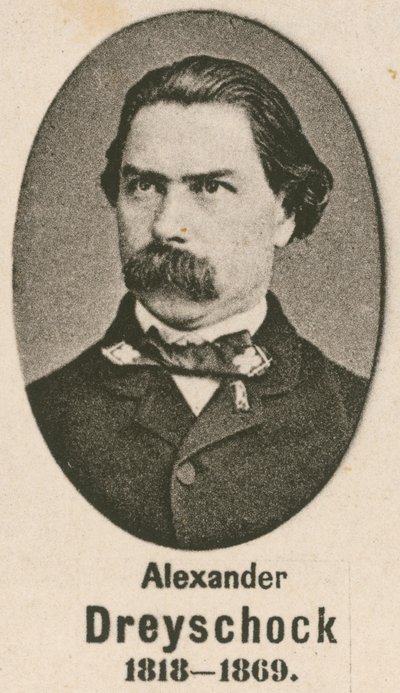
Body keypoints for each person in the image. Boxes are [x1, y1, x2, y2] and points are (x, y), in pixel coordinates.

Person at [27, 55, 368, 550]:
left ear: (286, 211)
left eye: (209, 187)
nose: (167, 225)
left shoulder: (362, 419)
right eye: (144, 186)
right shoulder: (36, 416)